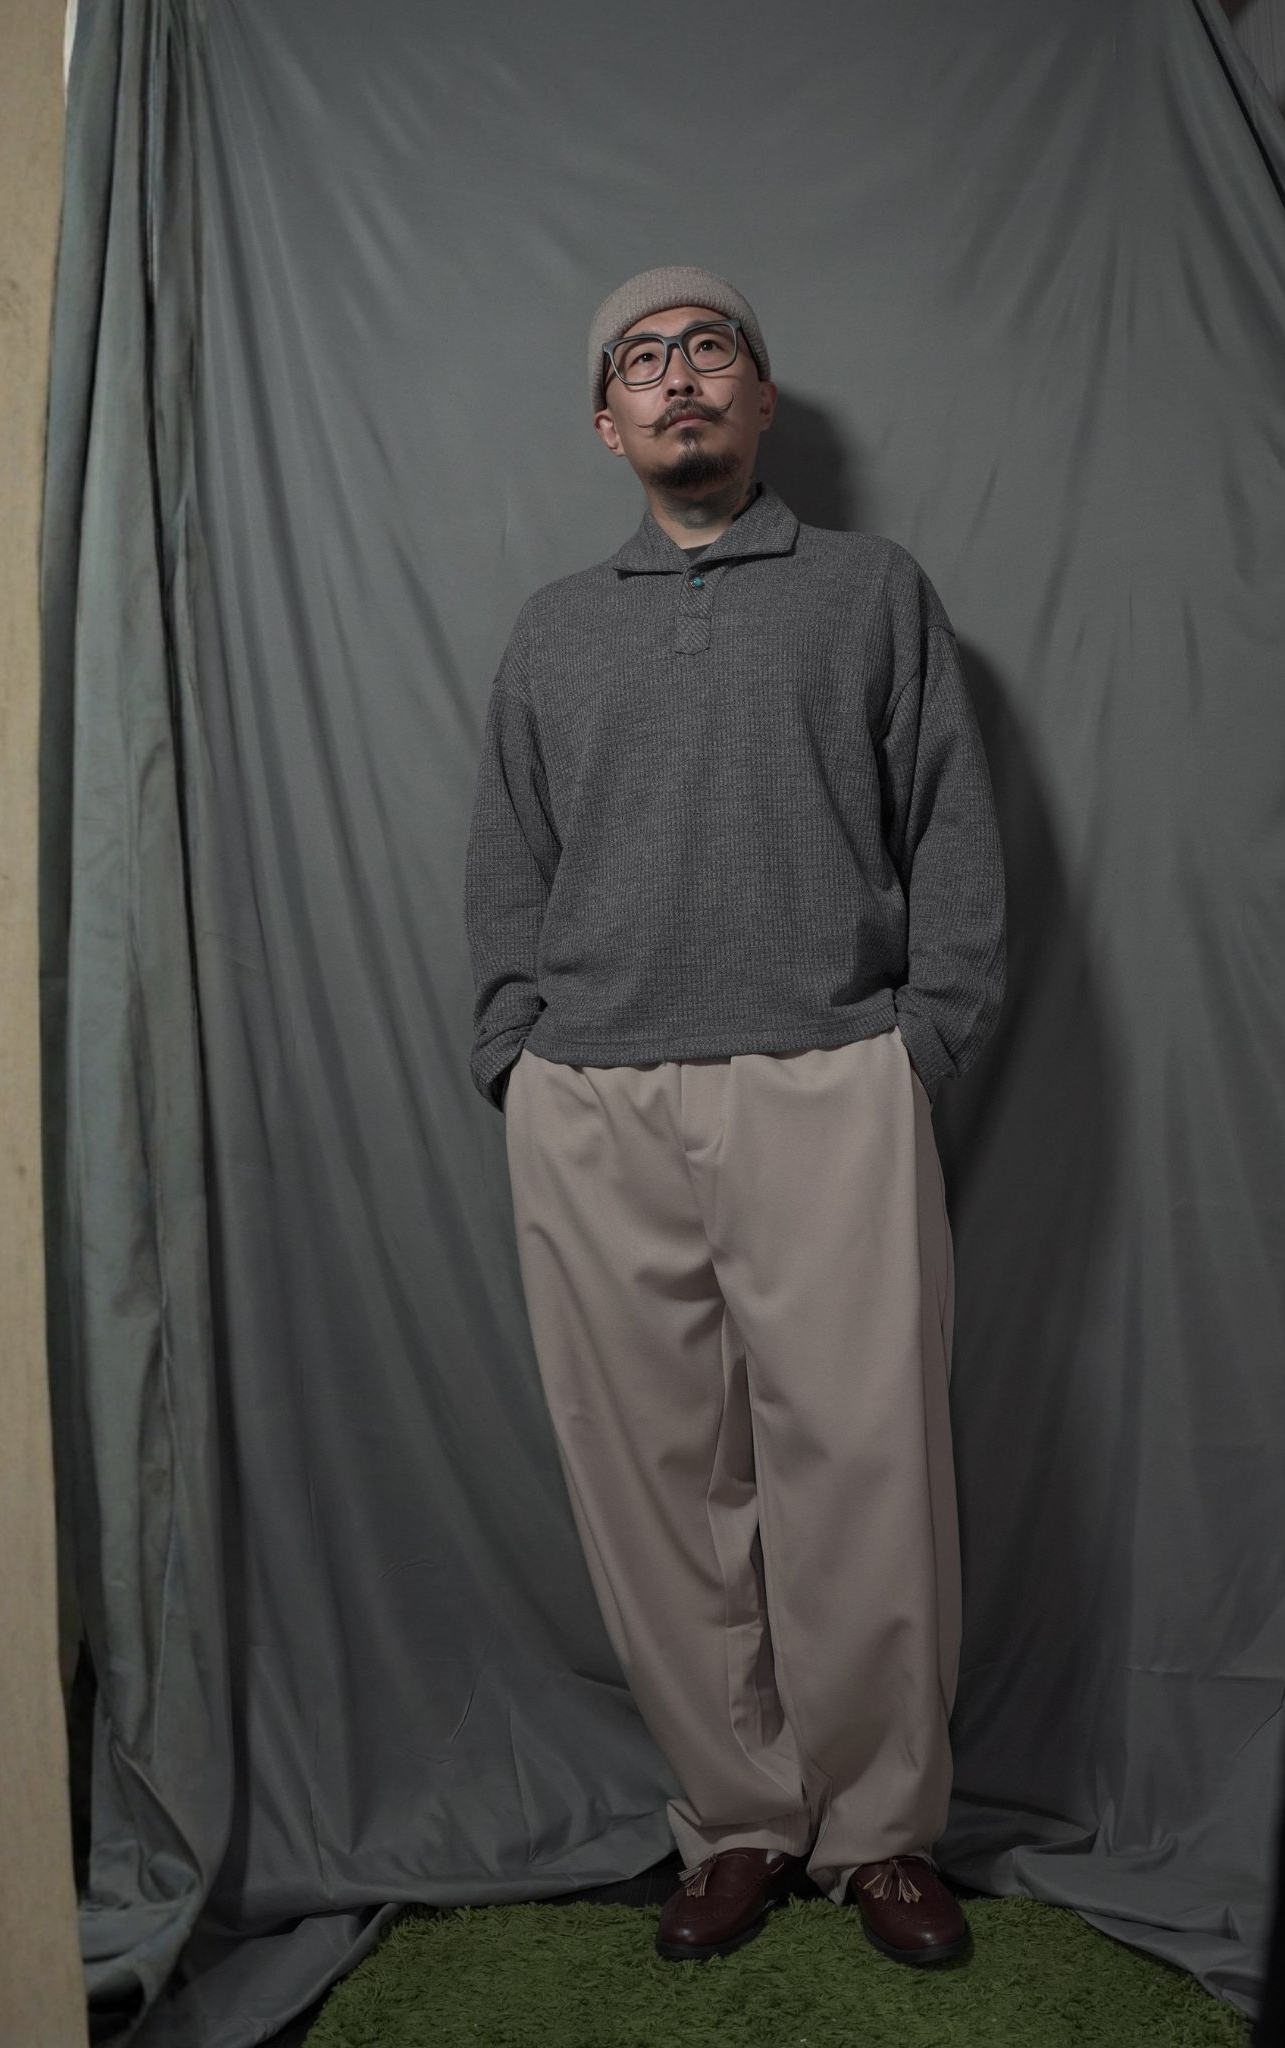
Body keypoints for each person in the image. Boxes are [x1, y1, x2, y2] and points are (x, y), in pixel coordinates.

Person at [463, 263, 1005, 1969]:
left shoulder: (872, 593)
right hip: (593, 1100)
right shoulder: (554, 629)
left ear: (761, 401)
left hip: (827, 1078)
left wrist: (919, 1044)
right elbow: (507, 858)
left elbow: (952, 829)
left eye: (712, 350)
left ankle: (882, 1834)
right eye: (644, 360)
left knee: (866, 1469)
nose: (680, 377)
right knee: (653, 1485)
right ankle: (739, 1820)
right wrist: (515, 1053)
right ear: (607, 422)